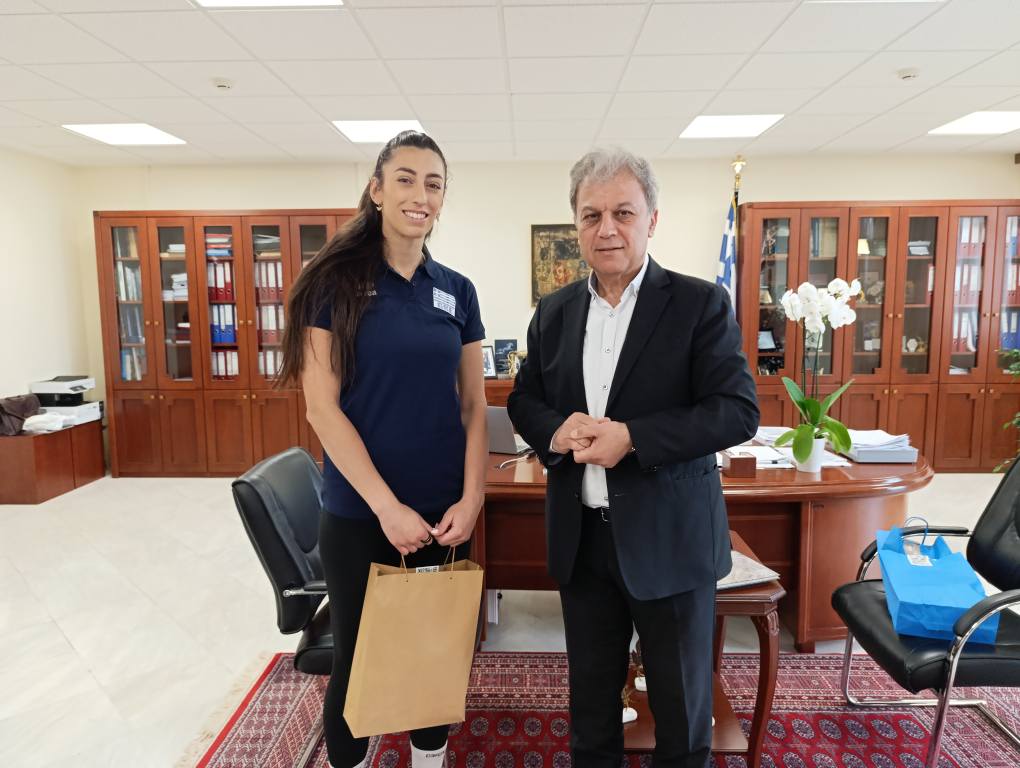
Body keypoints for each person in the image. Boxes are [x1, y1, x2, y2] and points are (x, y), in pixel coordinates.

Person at [507, 148, 759, 768]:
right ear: (576, 225)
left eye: (623, 212)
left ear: (652, 219)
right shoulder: (555, 312)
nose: (607, 229)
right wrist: (556, 430)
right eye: (591, 215)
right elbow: (523, 399)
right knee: (591, 715)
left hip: (670, 542)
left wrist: (634, 438)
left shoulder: (700, 304)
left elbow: (736, 411)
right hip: (584, 543)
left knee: (682, 718)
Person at [278, 131, 488, 768]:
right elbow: (322, 408)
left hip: (443, 516)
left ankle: (428, 760)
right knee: (357, 657)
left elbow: (474, 405)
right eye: (405, 179)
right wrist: (386, 509)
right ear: (376, 189)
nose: (420, 194)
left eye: (433, 183)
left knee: (432, 653)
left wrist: (472, 498)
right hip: (359, 514)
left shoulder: (456, 290)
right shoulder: (332, 284)